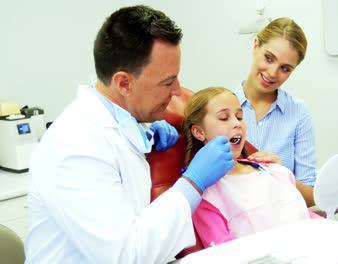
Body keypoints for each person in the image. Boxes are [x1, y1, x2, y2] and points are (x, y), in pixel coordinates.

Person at [24, 5, 234, 264]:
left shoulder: (121, 123)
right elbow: (127, 254)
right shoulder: (74, 145)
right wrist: (194, 182)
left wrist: (141, 129)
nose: (178, 91)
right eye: (167, 82)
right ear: (124, 83)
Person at [182, 87, 322, 248]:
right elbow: (224, 254)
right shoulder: (206, 194)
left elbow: (306, 216)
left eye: (240, 117)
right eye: (223, 118)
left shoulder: (272, 169)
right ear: (199, 132)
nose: (237, 124)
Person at [234, 17, 317, 207]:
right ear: (256, 46)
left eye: (285, 68)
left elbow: (311, 197)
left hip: (284, 223)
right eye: (268, 58)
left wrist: (282, 175)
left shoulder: (298, 113)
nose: (272, 72)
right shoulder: (222, 109)